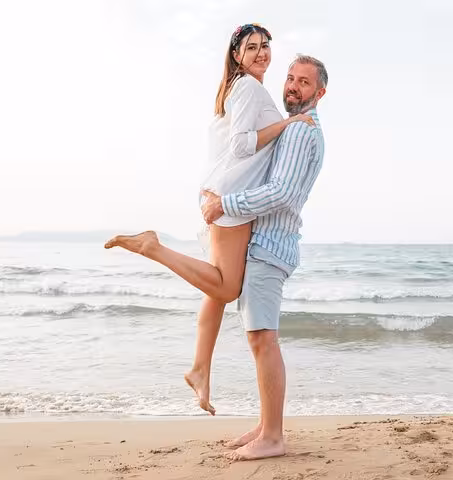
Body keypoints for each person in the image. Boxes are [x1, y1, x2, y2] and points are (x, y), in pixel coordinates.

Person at [104, 24, 313, 415]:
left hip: (219, 193)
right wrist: (287, 124)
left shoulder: (235, 87)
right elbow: (240, 144)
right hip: (229, 202)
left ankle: (201, 368)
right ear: (236, 54)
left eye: (265, 46)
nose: (262, 53)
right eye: (251, 48)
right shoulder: (249, 88)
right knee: (225, 288)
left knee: (212, 291)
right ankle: (153, 247)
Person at [200, 54, 328, 461]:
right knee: (260, 337)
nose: (293, 86)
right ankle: (266, 424)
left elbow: (282, 192)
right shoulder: (291, 128)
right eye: (290, 78)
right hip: (266, 243)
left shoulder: (301, 133)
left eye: (304, 83)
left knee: (263, 338)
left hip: (270, 246)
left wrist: (226, 204)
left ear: (320, 92)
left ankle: (273, 436)